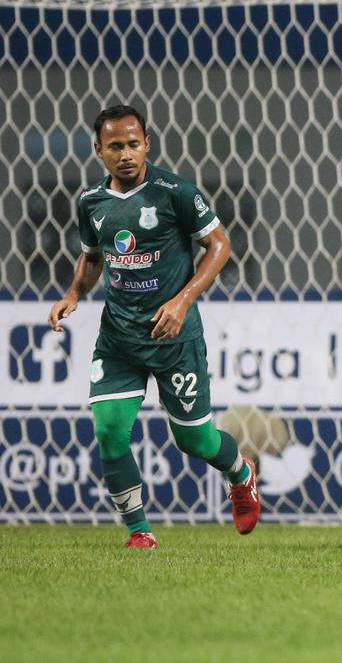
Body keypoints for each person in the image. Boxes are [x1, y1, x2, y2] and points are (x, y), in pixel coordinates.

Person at [48, 104, 259, 549]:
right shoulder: (91, 202)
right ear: (98, 150)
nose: (125, 154)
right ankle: (139, 532)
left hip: (174, 338)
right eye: (115, 147)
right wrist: (73, 294)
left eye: (133, 144)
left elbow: (220, 245)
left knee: (195, 441)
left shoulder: (176, 193)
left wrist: (182, 301)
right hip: (119, 338)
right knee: (109, 432)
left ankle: (240, 472)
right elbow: (92, 256)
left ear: (147, 144)